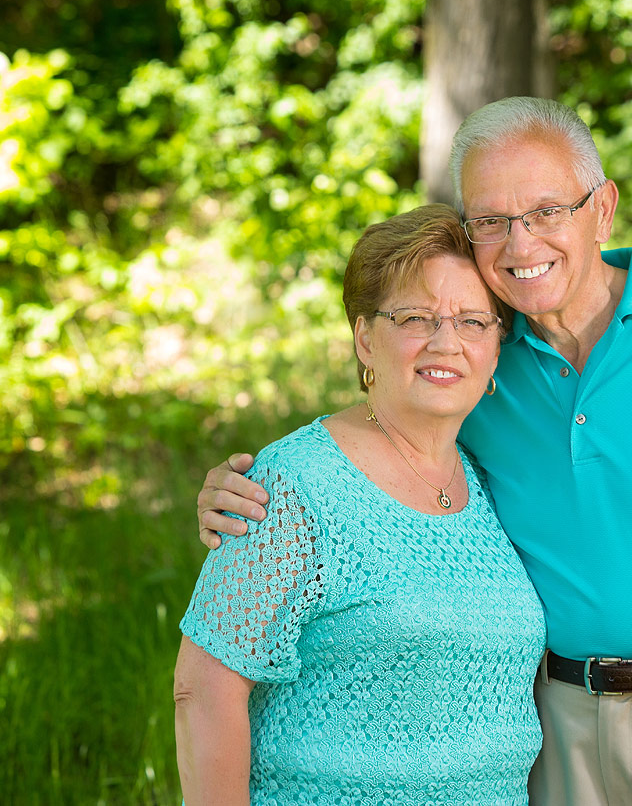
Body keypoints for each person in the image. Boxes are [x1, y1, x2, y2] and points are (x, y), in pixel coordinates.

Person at [198, 97, 632, 805]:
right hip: (552, 733)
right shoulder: (484, 362)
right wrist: (250, 494)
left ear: (602, 209)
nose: (521, 245)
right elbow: (382, 454)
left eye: (547, 212)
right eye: (491, 221)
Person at [174, 204, 546, 806]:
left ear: (497, 348)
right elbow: (205, 689)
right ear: (365, 338)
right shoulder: (293, 484)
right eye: (415, 317)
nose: (446, 342)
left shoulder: (486, 477)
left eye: (473, 321)